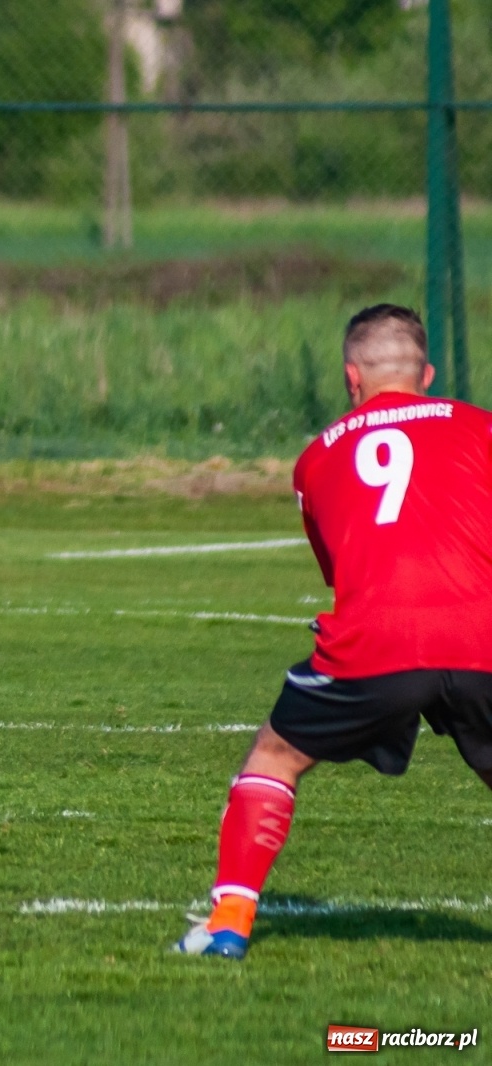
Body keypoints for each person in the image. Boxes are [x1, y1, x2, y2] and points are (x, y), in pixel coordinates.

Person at [177, 304, 492, 959]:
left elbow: (341, 569)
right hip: (479, 633)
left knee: (274, 757)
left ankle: (228, 924)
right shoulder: (482, 429)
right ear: (426, 373)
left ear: (352, 377)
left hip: (375, 640)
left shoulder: (314, 459)